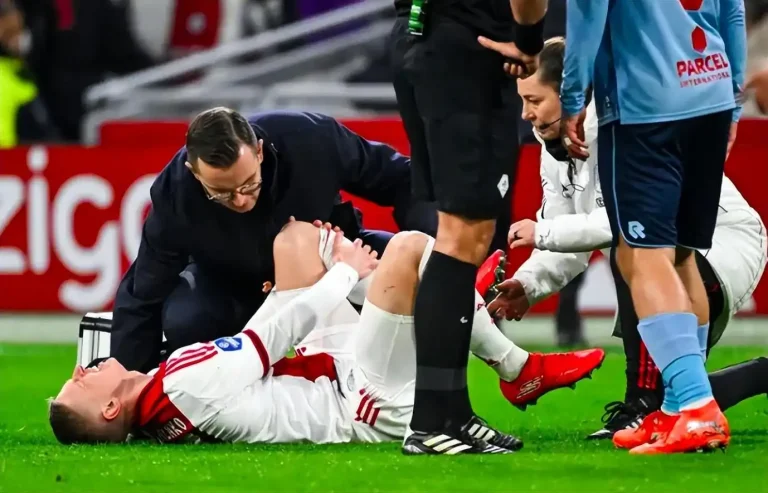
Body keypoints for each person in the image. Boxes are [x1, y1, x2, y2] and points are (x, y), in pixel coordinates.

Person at [50, 221, 605, 448]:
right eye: (78, 384)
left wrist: (300, 280)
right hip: (364, 402)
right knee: (408, 246)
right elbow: (274, 337)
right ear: (109, 409)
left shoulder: (164, 403)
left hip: (333, 374)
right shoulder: (183, 383)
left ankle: (451, 302)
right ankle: (512, 365)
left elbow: (262, 341)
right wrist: (342, 270)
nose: (80, 369)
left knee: (296, 241)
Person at [487, 38, 767, 447]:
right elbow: (570, 238)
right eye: (523, 101)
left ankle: (641, 404)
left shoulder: (625, 124)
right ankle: (745, 381)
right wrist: (528, 285)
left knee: (634, 248)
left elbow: (630, 219)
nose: (526, 113)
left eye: (535, 100)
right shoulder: (555, 146)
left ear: (572, 93)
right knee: (681, 389)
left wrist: (542, 232)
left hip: (720, 239)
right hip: (666, 246)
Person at [110, 107, 437, 374]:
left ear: (259, 151)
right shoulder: (174, 194)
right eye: (221, 193)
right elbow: (144, 292)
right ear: (194, 172)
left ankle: (437, 382)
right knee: (185, 320)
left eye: (249, 184)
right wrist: (128, 385)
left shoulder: (311, 139)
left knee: (420, 268)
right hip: (230, 287)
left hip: (339, 262)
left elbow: (403, 180)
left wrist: (439, 248)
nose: (240, 200)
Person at [558, 0, 747, 455]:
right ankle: (678, 406)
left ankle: (698, 408)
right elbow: (734, 12)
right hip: (711, 94)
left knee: (642, 256)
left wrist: (572, 97)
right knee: (681, 254)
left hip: (645, 104)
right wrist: (733, 97)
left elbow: (587, 11)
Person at [387, 0, 552, 453]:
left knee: (460, 233)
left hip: (417, 37)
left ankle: (452, 413)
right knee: (464, 236)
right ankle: (431, 421)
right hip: (464, 53)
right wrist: (528, 41)